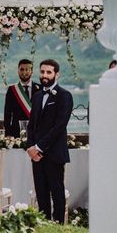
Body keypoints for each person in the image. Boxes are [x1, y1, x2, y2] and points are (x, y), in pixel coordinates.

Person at [26, 59, 74, 223]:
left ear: (56, 74)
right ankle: (43, 224)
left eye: (48, 72)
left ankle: (59, 226)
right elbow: (31, 125)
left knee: (57, 192)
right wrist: (30, 147)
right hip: (36, 156)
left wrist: (39, 147)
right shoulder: (38, 96)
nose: (44, 75)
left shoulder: (65, 96)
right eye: (42, 72)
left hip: (54, 154)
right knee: (41, 193)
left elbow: (59, 126)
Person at [4, 59, 40, 138]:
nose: (24, 72)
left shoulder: (40, 89)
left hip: (36, 132)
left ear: (31, 72)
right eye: (22, 69)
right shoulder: (12, 90)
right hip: (16, 133)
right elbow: (7, 114)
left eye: (27, 69)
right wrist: (8, 133)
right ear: (18, 71)